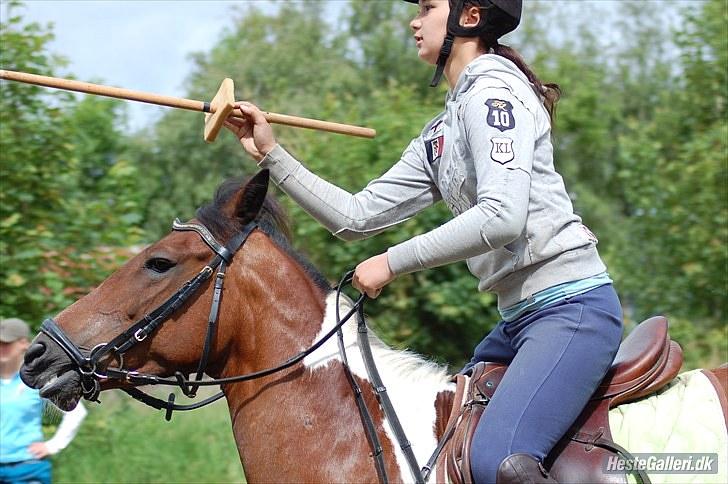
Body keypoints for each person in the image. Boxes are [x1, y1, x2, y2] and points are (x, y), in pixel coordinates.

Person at [223, 1, 623, 482]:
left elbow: (502, 217)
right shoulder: (443, 129)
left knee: (495, 462)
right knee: (444, 447)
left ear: (469, 16)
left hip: (570, 310)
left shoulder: (494, 95)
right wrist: (271, 153)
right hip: (518, 322)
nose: (415, 21)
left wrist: (392, 262)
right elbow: (356, 216)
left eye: (428, 7)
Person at [0, 318, 87, 484]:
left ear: (23, 344)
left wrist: (53, 445)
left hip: (27, 469)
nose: (1, 348)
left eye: (6, 343)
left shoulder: (37, 382)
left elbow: (76, 413)